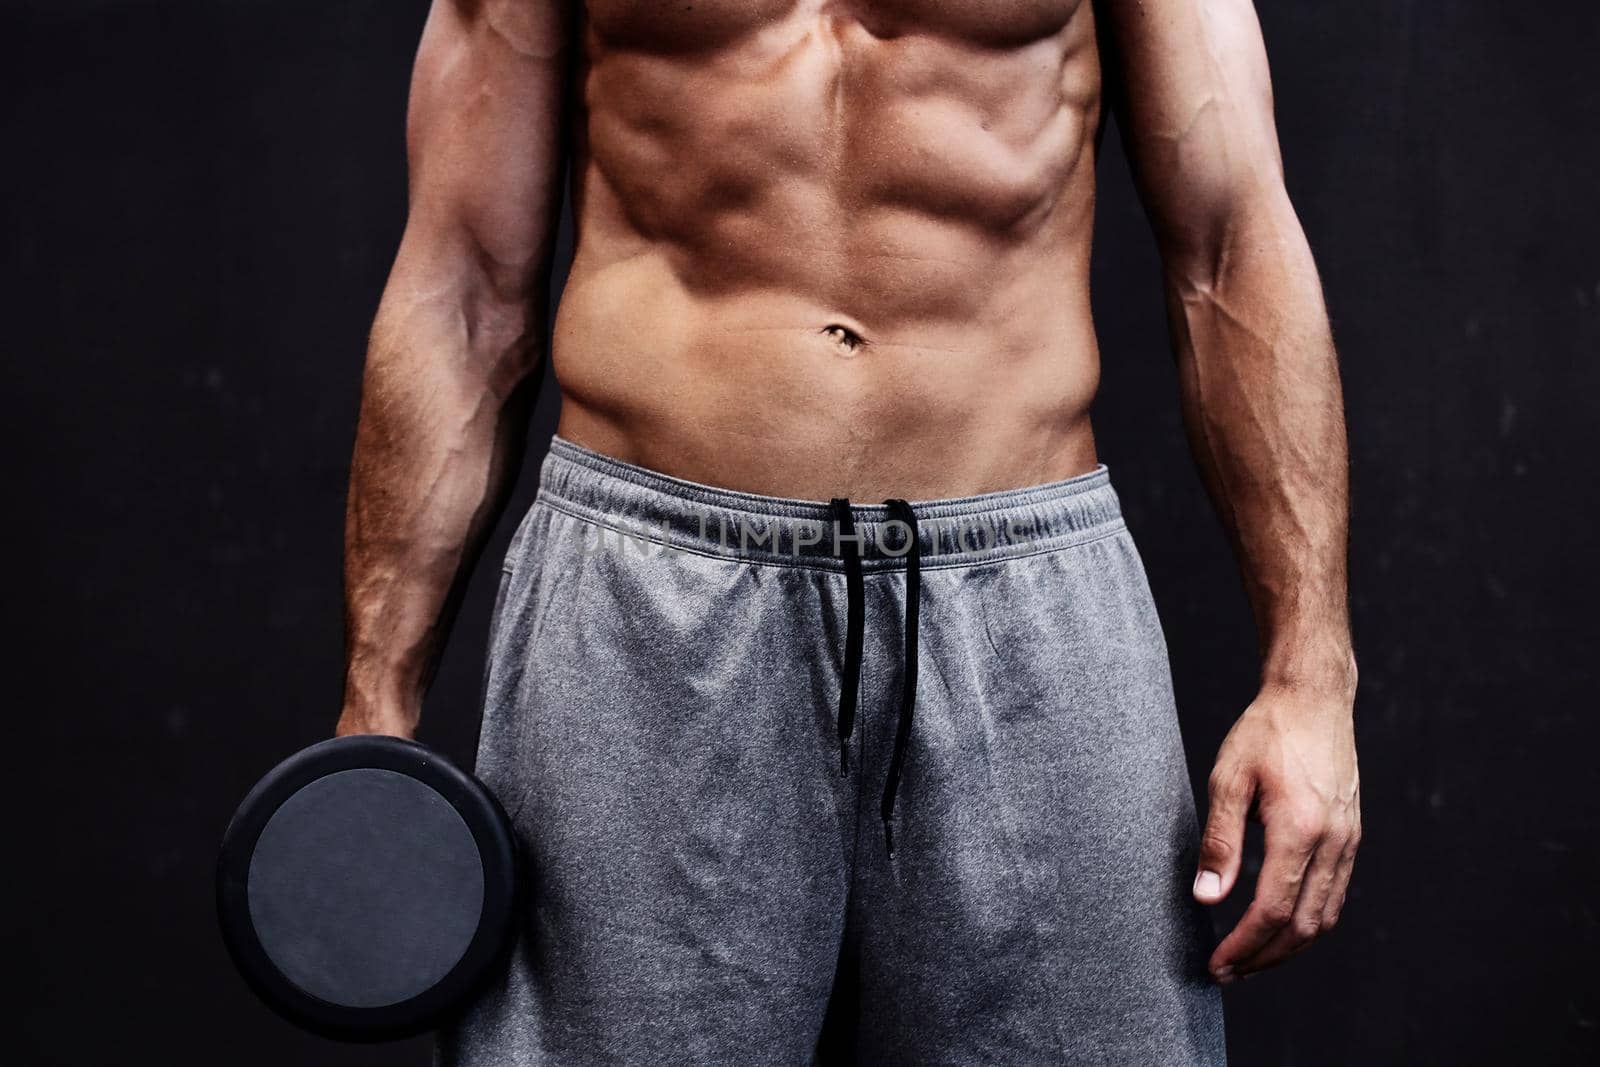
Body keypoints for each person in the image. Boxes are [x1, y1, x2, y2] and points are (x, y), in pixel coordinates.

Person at [335, 1, 1360, 1062]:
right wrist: (378, 694)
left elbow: (1230, 248)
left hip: (1023, 599)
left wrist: (1308, 680)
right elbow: (462, 287)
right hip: (647, 604)